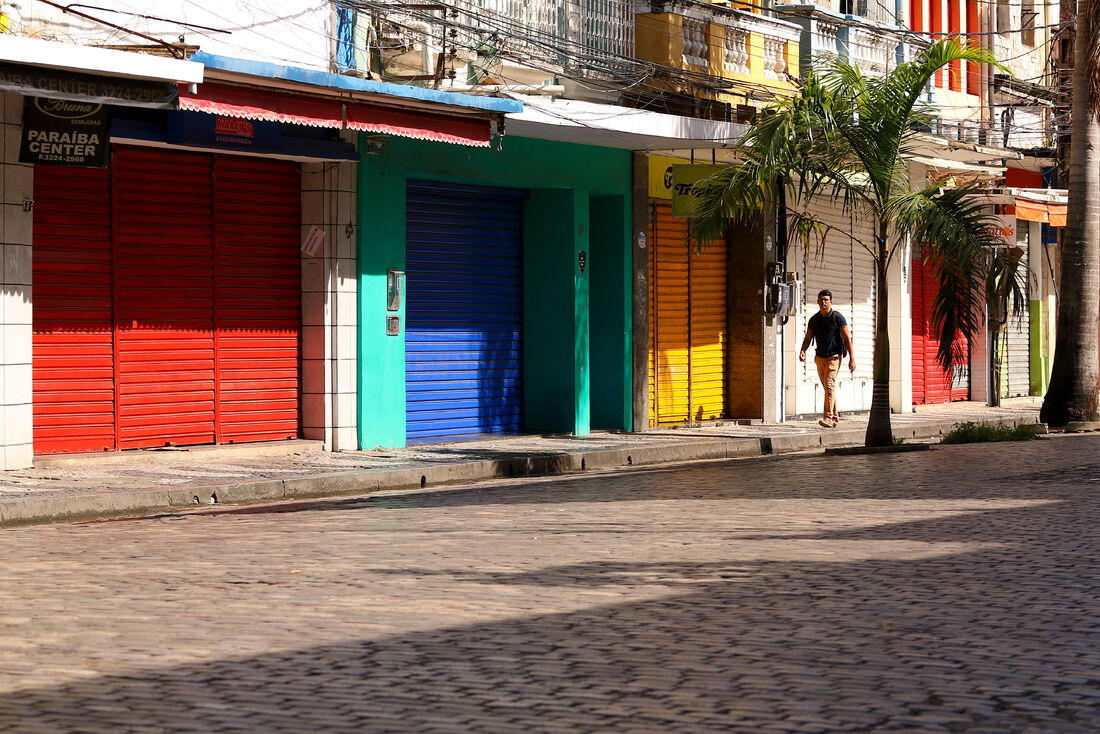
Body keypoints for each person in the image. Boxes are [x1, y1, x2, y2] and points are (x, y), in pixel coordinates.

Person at [799, 289, 856, 428]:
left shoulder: (837, 317)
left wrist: (852, 358)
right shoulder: (814, 320)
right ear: (817, 301)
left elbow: (847, 338)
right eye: (821, 299)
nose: (823, 302)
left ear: (831, 301)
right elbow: (808, 338)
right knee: (827, 388)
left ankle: (828, 418)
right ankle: (835, 416)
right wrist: (802, 350)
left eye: (826, 299)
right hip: (820, 357)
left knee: (829, 385)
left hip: (834, 357)